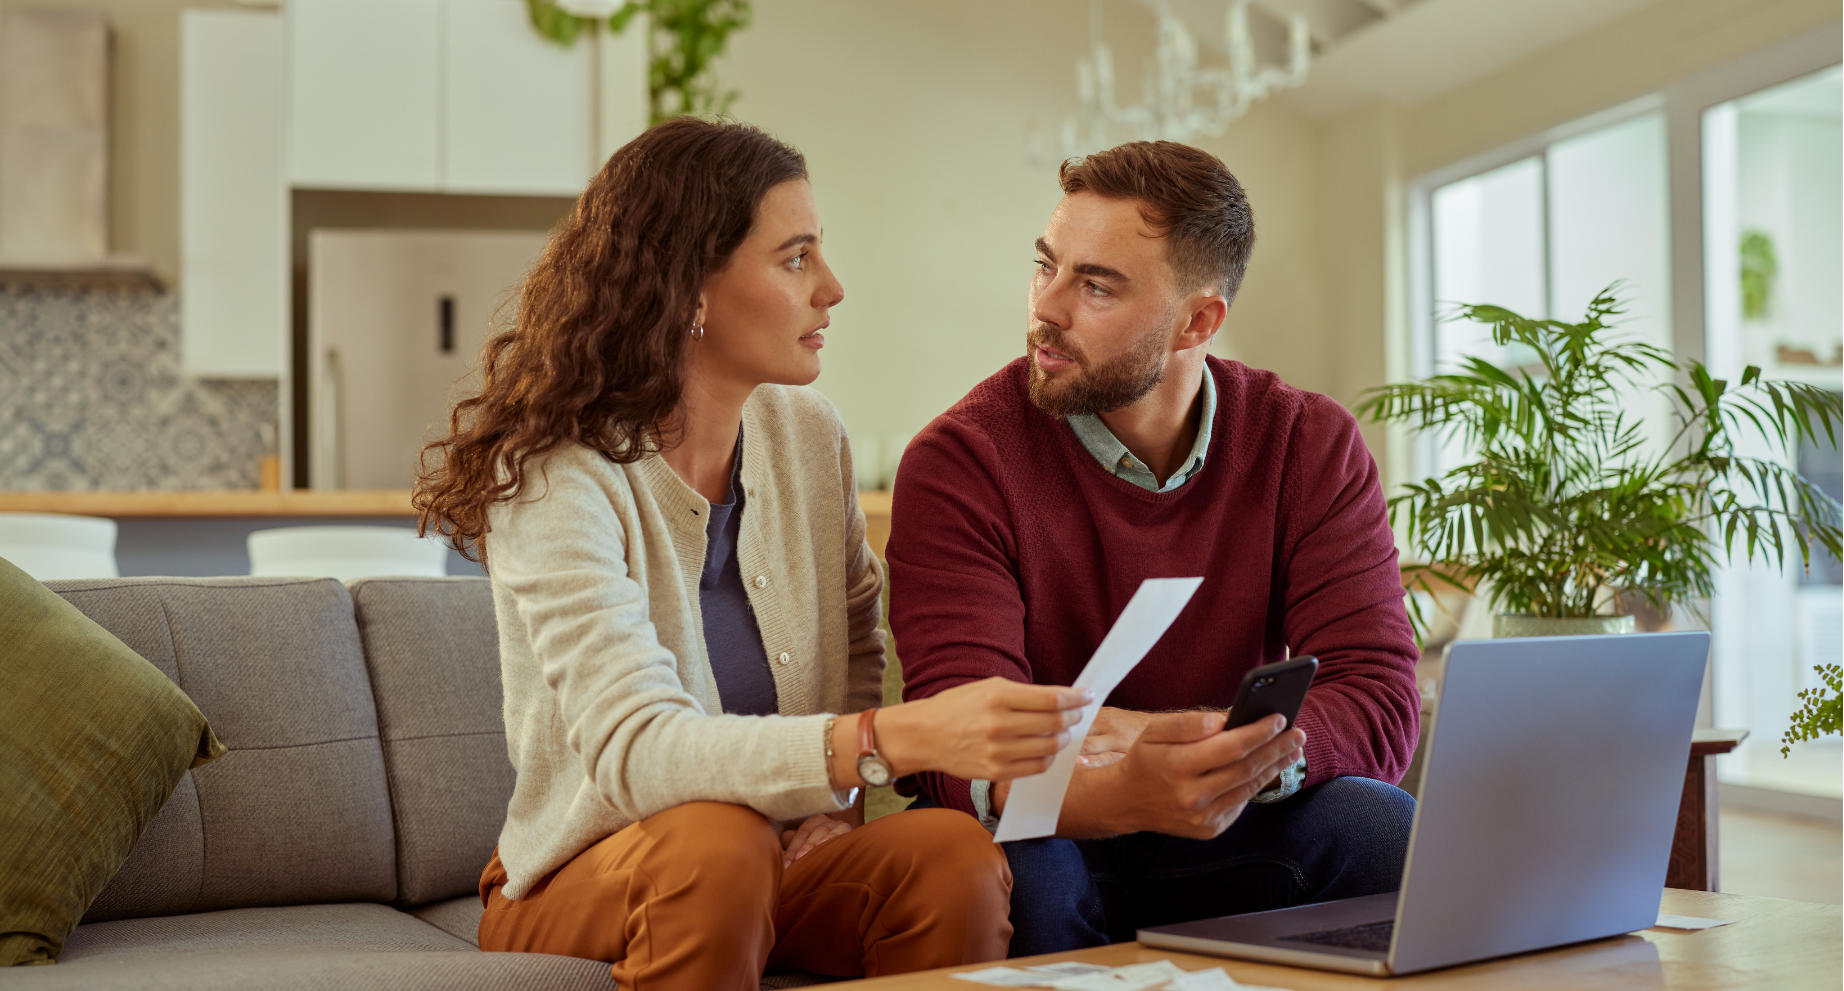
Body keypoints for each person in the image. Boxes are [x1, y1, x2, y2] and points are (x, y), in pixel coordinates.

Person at [414, 117, 1091, 990]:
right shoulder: (557, 475)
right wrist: (881, 737)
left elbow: (856, 633)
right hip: (585, 875)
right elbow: (637, 750)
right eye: (796, 258)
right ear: (689, 287)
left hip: (776, 860)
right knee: (717, 842)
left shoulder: (808, 433)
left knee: (950, 855)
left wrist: (839, 805)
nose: (833, 288)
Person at [886, 140, 1420, 955]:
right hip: (1050, 828)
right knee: (1020, 872)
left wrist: (1203, 752)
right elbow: (953, 740)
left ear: (1199, 321)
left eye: (1095, 285)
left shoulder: (1306, 442)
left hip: (1236, 825)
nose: (1046, 309)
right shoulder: (963, 459)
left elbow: (1379, 693)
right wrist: (1127, 782)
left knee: (1381, 826)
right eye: (1046, 266)